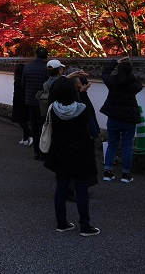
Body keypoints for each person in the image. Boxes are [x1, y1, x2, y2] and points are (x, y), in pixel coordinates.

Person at [43, 76, 99, 236]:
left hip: (60, 152)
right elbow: (91, 115)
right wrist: (84, 93)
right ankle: (85, 225)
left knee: (61, 188)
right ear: (73, 91)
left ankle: (62, 223)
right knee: (81, 189)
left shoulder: (53, 109)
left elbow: (52, 96)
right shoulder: (82, 108)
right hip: (81, 152)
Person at [100, 57, 142, 184]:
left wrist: (115, 62)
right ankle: (125, 174)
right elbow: (139, 84)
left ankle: (107, 172)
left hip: (113, 116)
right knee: (127, 145)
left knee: (112, 144)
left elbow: (105, 73)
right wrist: (128, 69)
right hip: (129, 117)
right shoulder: (134, 85)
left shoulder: (112, 82)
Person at [23, 47, 49, 160]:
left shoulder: (27, 67)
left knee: (34, 125)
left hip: (30, 100)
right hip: (43, 101)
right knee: (43, 126)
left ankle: (36, 151)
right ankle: (43, 152)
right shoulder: (46, 68)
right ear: (46, 56)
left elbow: (23, 83)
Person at [12, 63, 33, 145]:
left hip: (20, 102)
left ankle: (30, 135)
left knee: (21, 121)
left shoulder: (17, 80)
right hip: (26, 100)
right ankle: (25, 138)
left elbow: (17, 93)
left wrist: (15, 101)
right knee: (24, 120)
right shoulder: (26, 79)